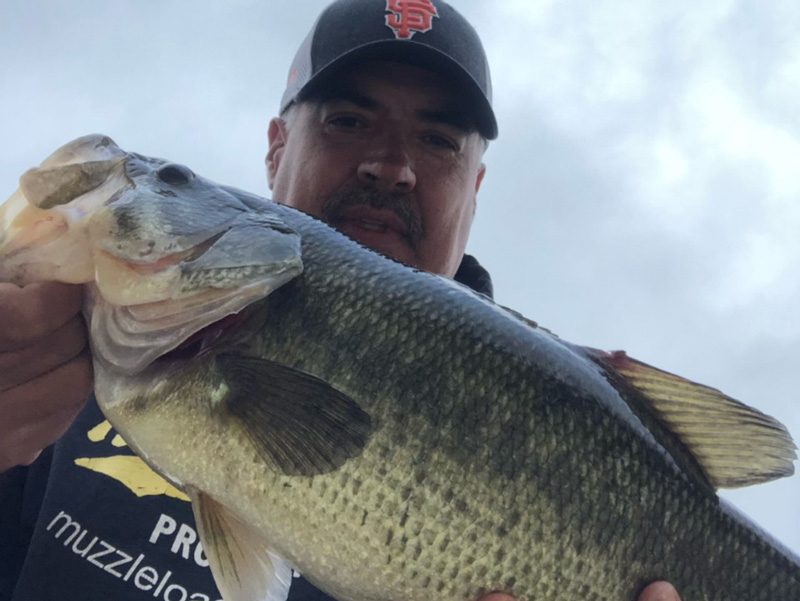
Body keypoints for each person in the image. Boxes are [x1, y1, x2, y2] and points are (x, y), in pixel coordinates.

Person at [0, 1, 681, 600]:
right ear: (276, 147)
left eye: (438, 140)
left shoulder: (563, 411)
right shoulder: (51, 371)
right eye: (349, 120)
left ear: (475, 188)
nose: (391, 165)